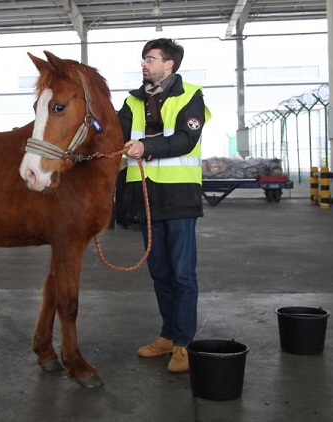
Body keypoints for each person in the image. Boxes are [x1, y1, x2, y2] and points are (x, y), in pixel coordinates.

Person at [117, 38, 211, 373]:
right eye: (143, 59)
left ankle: (184, 344)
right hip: (146, 199)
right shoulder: (132, 100)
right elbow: (115, 133)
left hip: (180, 199)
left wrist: (145, 147)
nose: (143, 63)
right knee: (160, 273)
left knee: (182, 275)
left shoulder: (190, 96)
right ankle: (168, 336)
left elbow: (186, 140)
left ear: (168, 64)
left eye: (150, 58)